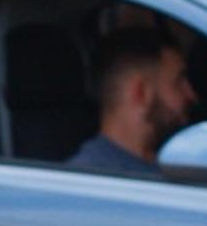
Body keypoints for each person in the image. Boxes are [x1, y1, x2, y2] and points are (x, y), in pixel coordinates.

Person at [68, 21, 194, 176]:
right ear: (141, 93)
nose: (191, 95)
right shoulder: (92, 182)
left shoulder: (175, 165)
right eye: (178, 82)